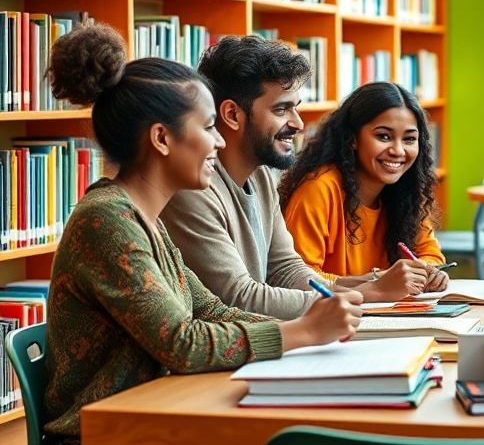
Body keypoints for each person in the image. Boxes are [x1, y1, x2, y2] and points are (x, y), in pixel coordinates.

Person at [42, 23, 361, 445]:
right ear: (162, 138)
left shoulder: (144, 218)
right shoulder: (107, 221)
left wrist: (317, 322)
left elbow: (210, 310)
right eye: (209, 127)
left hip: (150, 439)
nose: (219, 141)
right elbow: (182, 343)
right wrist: (301, 332)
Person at [161, 36, 425, 318]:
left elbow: (286, 270)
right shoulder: (192, 189)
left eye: (296, 107)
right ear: (232, 115)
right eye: (281, 109)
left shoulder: (261, 175)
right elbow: (238, 297)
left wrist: (371, 284)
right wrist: (368, 294)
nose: (298, 123)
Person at [279, 81, 449, 297]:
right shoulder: (319, 189)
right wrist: (380, 280)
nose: (398, 151)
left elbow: (430, 253)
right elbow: (301, 279)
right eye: (383, 136)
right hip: (331, 317)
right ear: (352, 139)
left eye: (409, 139)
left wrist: (429, 272)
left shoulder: (407, 191)